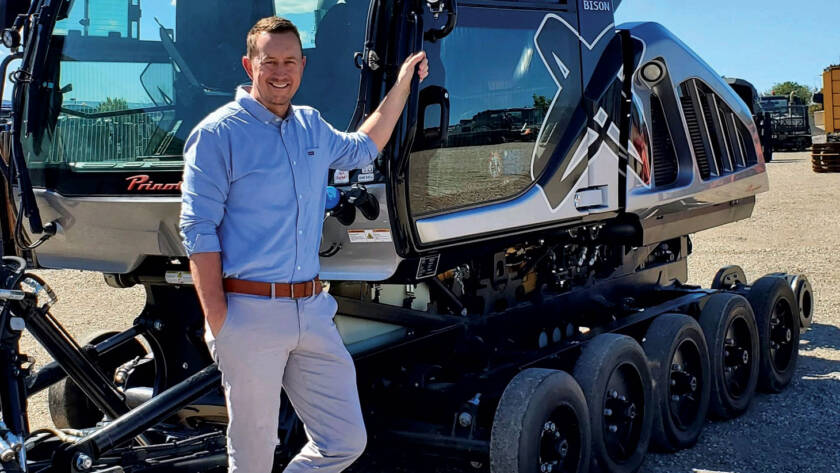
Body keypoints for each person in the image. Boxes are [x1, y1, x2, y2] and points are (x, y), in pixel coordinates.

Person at [179, 16, 428, 473]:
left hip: (311, 311)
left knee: (344, 441)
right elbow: (198, 231)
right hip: (248, 313)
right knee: (252, 459)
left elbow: (363, 147)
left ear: (302, 65)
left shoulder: (311, 126)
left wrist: (401, 87)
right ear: (248, 64)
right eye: (269, 61)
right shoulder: (217, 135)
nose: (280, 71)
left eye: (289, 61)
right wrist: (220, 322)